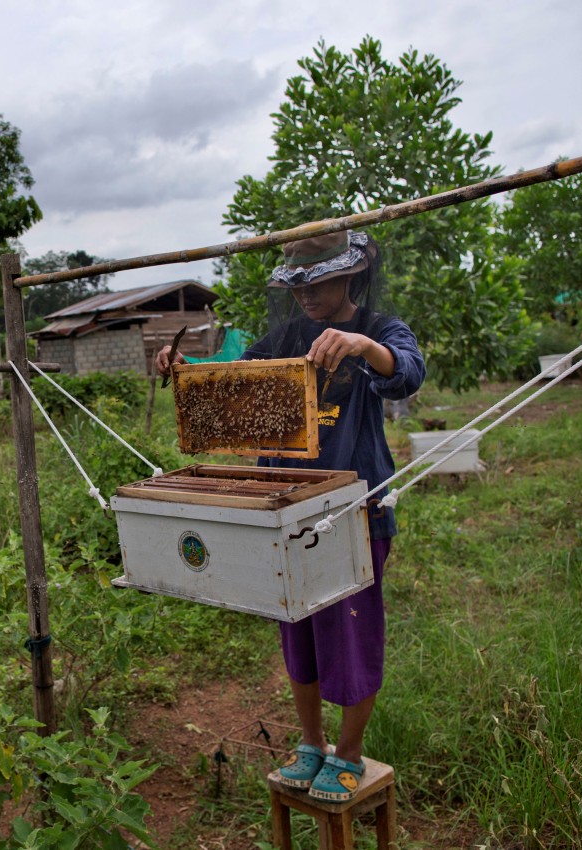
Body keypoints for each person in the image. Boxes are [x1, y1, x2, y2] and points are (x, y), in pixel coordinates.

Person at [155, 230, 424, 802]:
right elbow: (230, 381)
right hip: (281, 508)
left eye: (318, 284)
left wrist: (359, 346)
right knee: (296, 627)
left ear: (348, 277)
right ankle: (311, 743)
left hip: (353, 511)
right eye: (297, 286)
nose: (305, 297)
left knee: (350, 633)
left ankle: (348, 753)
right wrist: (185, 367)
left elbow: (407, 371)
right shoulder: (284, 338)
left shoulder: (380, 329)